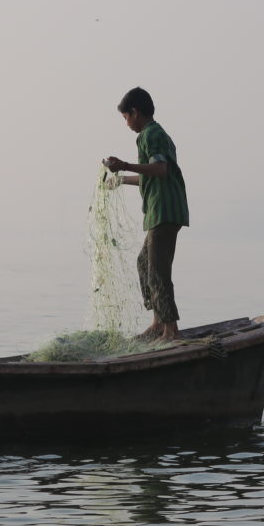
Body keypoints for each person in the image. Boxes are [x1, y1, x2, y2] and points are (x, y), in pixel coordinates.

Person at [104, 87, 189, 342]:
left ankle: (170, 331)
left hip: (165, 211)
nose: (127, 123)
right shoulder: (149, 136)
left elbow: (160, 169)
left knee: (158, 271)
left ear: (135, 112)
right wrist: (120, 179)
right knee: (145, 264)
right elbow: (149, 176)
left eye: (126, 117)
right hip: (157, 211)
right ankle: (158, 322)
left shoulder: (152, 134)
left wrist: (124, 164)